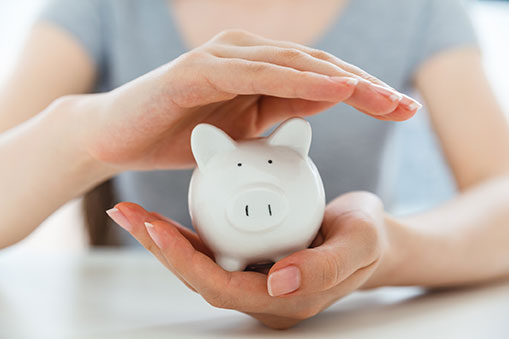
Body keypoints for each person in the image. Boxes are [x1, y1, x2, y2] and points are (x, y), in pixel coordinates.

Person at [0, 0, 508, 330]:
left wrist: (389, 251)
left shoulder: (418, 9)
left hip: (355, 322)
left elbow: (501, 191)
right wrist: (90, 135)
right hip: (140, 318)